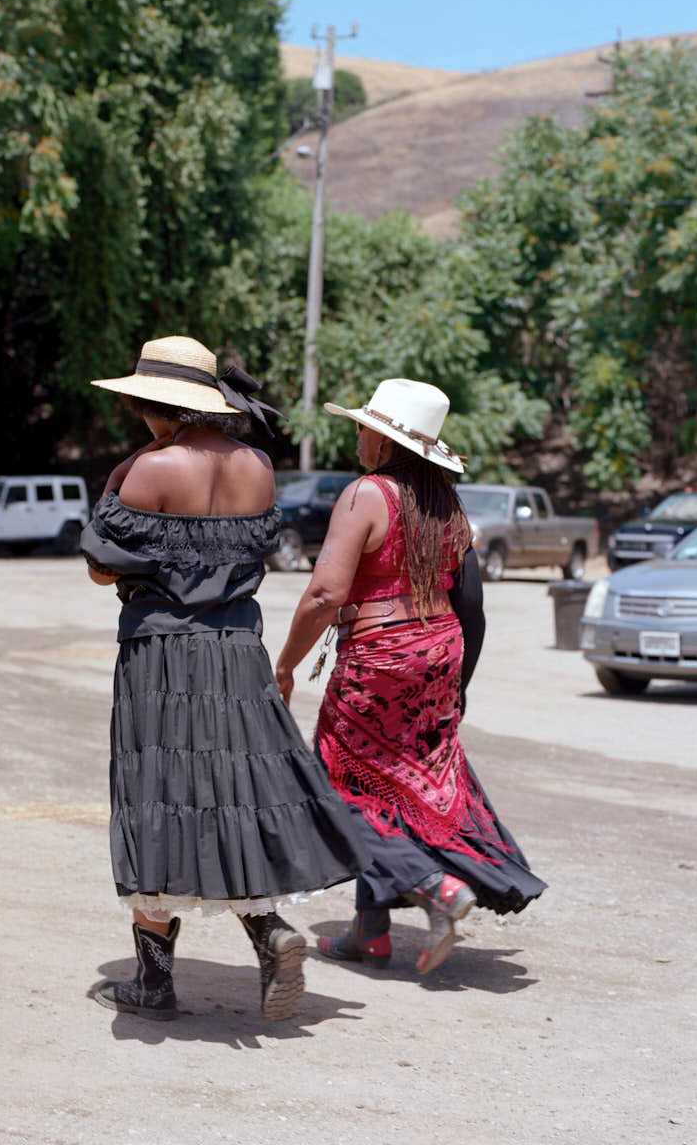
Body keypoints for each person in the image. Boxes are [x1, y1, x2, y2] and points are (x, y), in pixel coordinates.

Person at [81, 336, 369, 1022]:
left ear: (151, 401)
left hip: (162, 655)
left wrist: (124, 470)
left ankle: (152, 983)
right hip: (238, 649)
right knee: (232, 793)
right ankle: (269, 934)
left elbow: (101, 566)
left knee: (157, 798)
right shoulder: (258, 468)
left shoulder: (149, 470)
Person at [276, 379, 546, 976]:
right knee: (391, 787)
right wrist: (459, 684)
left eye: (364, 427)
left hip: (380, 657)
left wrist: (286, 663)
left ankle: (434, 887)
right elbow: (471, 604)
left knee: (337, 786)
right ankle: (369, 933)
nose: (357, 435)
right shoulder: (448, 507)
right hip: (439, 654)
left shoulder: (365, 495)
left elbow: (324, 593)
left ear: (385, 439)